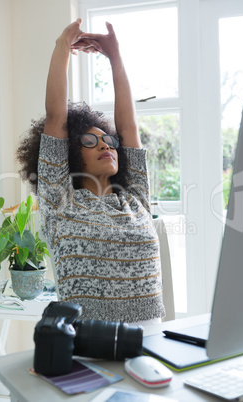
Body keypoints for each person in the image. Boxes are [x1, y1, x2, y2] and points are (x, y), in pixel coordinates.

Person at [16, 18, 165, 324]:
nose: (106, 145)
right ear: (70, 153)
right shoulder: (60, 200)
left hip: (149, 340)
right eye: (89, 140)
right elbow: (56, 117)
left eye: (108, 140)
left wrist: (116, 57)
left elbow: (128, 126)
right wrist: (61, 47)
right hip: (87, 344)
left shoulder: (136, 197)